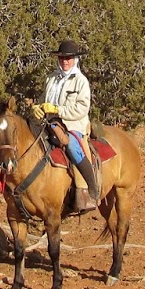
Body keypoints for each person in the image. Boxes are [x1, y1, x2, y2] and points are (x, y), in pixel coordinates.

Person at [42, 38, 99, 212]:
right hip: (49, 123)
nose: (65, 61)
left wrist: (57, 110)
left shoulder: (81, 81)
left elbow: (81, 108)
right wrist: (37, 108)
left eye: (68, 58)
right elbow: (41, 100)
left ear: (75, 59)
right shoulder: (51, 78)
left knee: (73, 147)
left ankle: (90, 190)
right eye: (61, 58)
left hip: (72, 124)